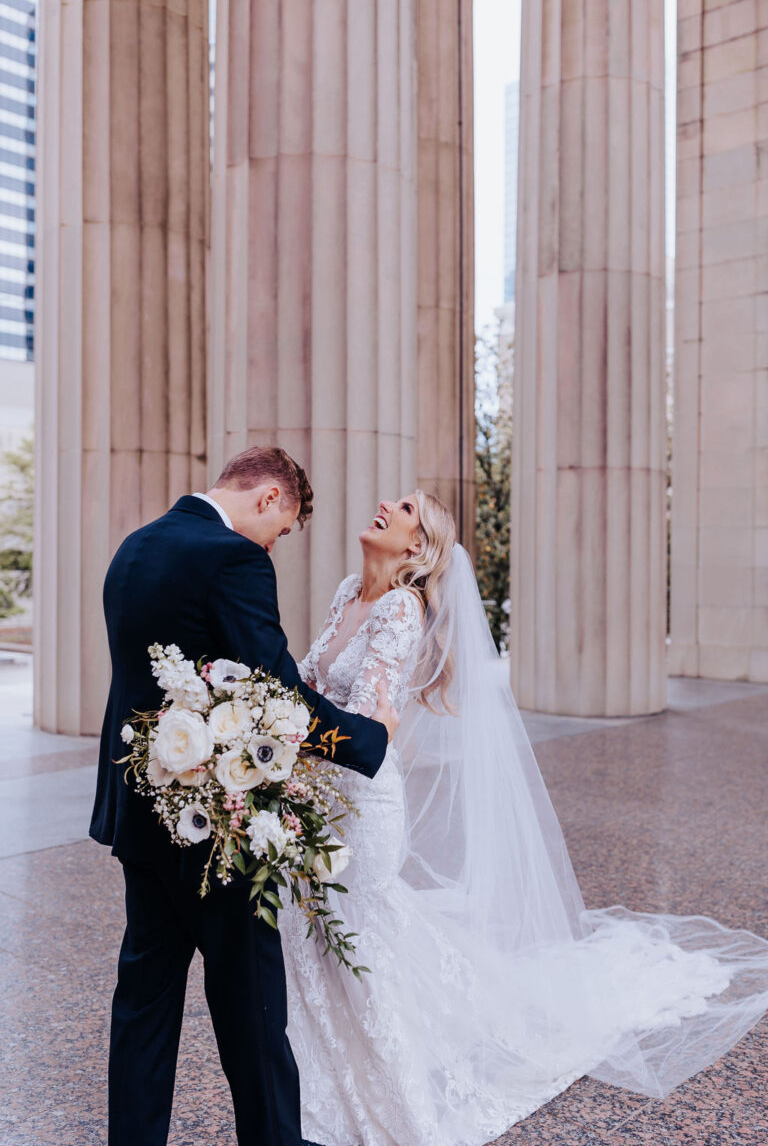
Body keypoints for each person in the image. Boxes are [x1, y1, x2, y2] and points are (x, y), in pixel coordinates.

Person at [282, 489, 768, 1146]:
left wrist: (293, 730)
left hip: (363, 804)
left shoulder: (400, 608)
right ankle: (316, 1082)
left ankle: (388, 1093)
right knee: (326, 934)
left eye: (403, 509)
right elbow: (309, 681)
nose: (384, 506)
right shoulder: (349, 593)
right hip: (320, 791)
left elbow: (370, 724)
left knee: (357, 936)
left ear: (417, 547)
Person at [90, 446, 398, 1146]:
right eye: (281, 529)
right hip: (218, 829)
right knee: (253, 1010)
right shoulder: (231, 558)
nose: (274, 545)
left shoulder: (135, 548)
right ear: (267, 498)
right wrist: (369, 738)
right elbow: (275, 690)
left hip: (140, 813)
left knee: (143, 1003)